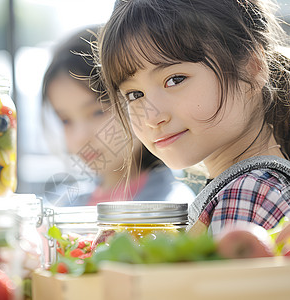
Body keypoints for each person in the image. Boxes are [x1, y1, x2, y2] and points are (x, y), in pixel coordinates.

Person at [96, 0, 290, 235]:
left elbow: (217, 273)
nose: (152, 117)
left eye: (175, 79)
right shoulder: (243, 188)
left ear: (253, 67)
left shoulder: (248, 192)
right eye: (135, 95)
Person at [41, 26, 195, 207]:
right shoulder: (63, 206)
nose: (81, 137)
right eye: (65, 120)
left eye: (98, 112)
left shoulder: (171, 207)